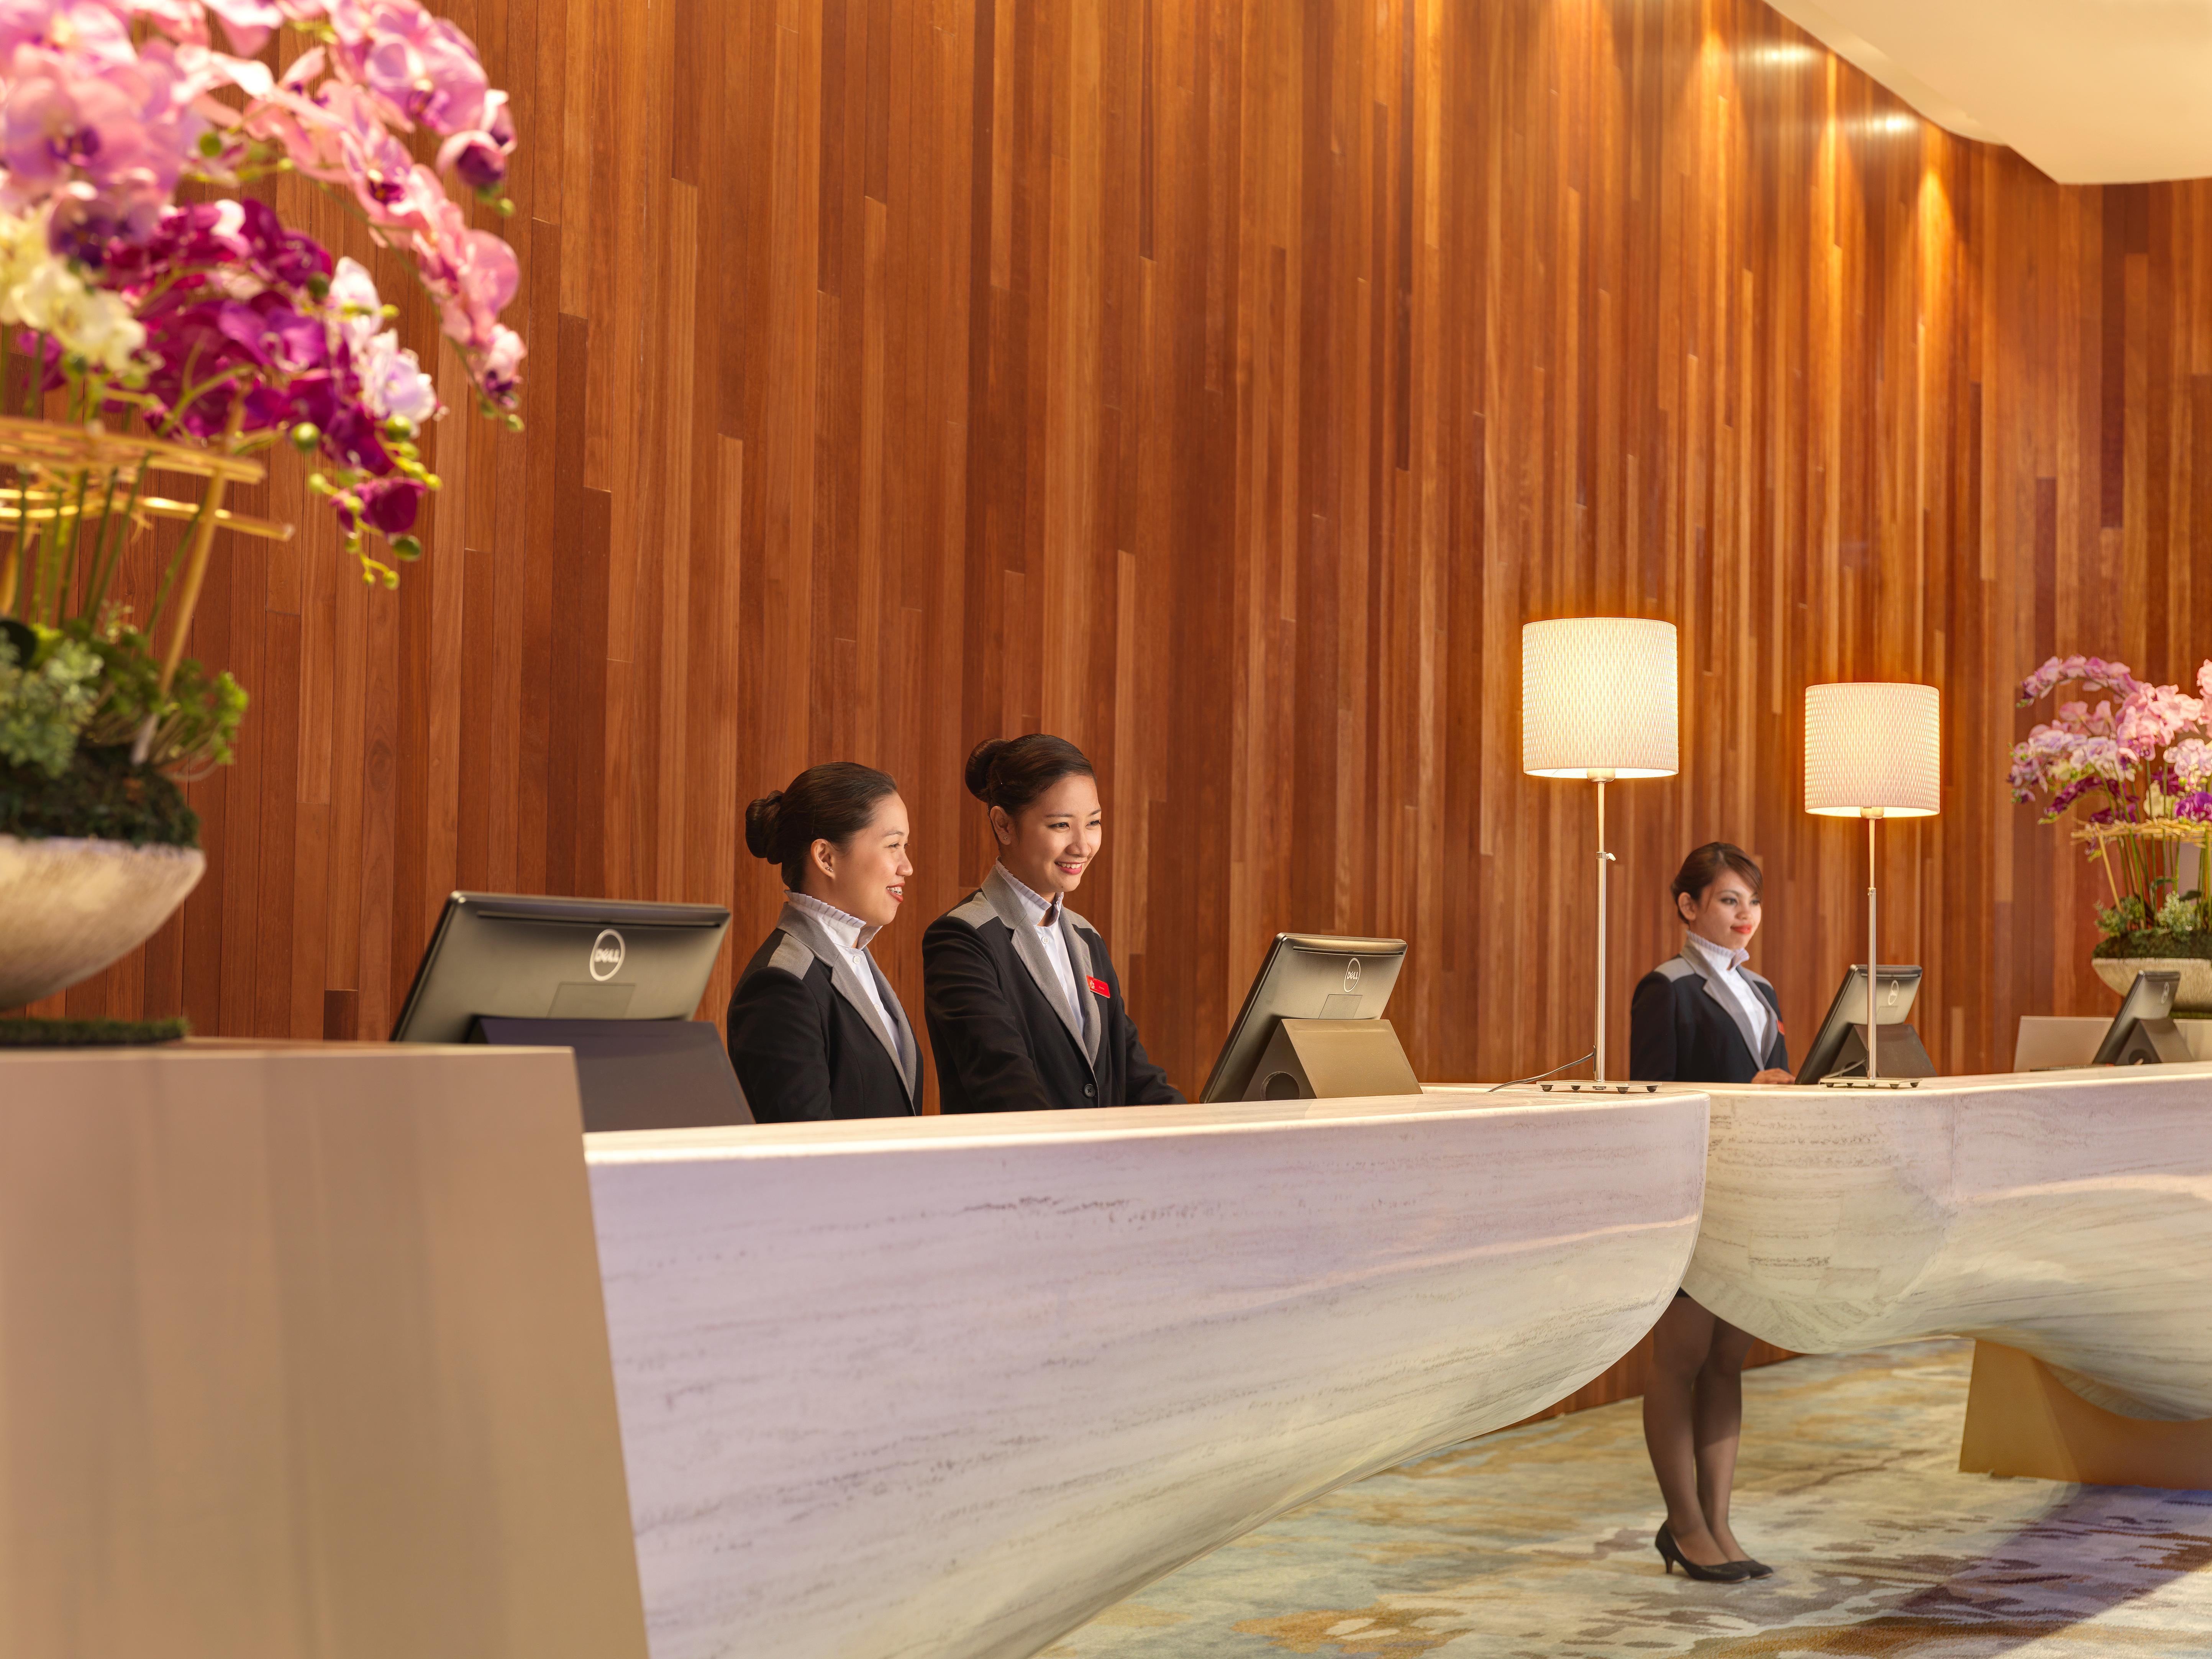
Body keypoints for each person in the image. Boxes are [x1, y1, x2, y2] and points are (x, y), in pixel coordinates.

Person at [1628, 841, 1791, 1584]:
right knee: (1679, 1360)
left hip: (1748, 1192)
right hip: (1691, 1191)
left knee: (1729, 1358)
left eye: (1751, 900)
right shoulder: (1665, 987)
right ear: (1688, 906)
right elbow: (1651, 1098)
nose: (1745, 914)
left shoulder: (1763, 990)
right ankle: (1685, 1525)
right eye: (1728, 899)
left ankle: (1720, 1523)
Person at [923, 734, 1183, 1113]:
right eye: (1061, 825)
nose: (1082, 845)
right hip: (1019, 1169)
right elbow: (1004, 1083)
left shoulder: (1086, 938)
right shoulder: (962, 938)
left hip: (1100, 1168)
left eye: (1093, 822)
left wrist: (1202, 1132)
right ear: (1003, 825)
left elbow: (1132, 1073)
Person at [727, 762, 921, 1121]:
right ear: (826, 858)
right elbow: (806, 1155)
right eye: (893, 845)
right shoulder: (782, 984)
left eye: (905, 846)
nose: (906, 866)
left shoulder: (853, 955)